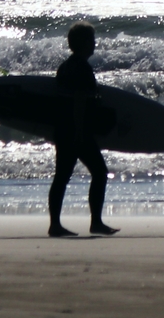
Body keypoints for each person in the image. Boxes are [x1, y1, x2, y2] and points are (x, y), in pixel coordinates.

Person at [47, 22, 116, 238]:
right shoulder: (82, 68)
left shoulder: (65, 66)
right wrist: (79, 132)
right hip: (77, 131)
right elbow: (79, 101)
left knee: (62, 177)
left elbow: (58, 100)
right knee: (100, 173)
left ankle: (55, 225)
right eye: (92, 40)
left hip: (62, 128)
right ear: (85, 43)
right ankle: (95, 222)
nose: (95, 44)